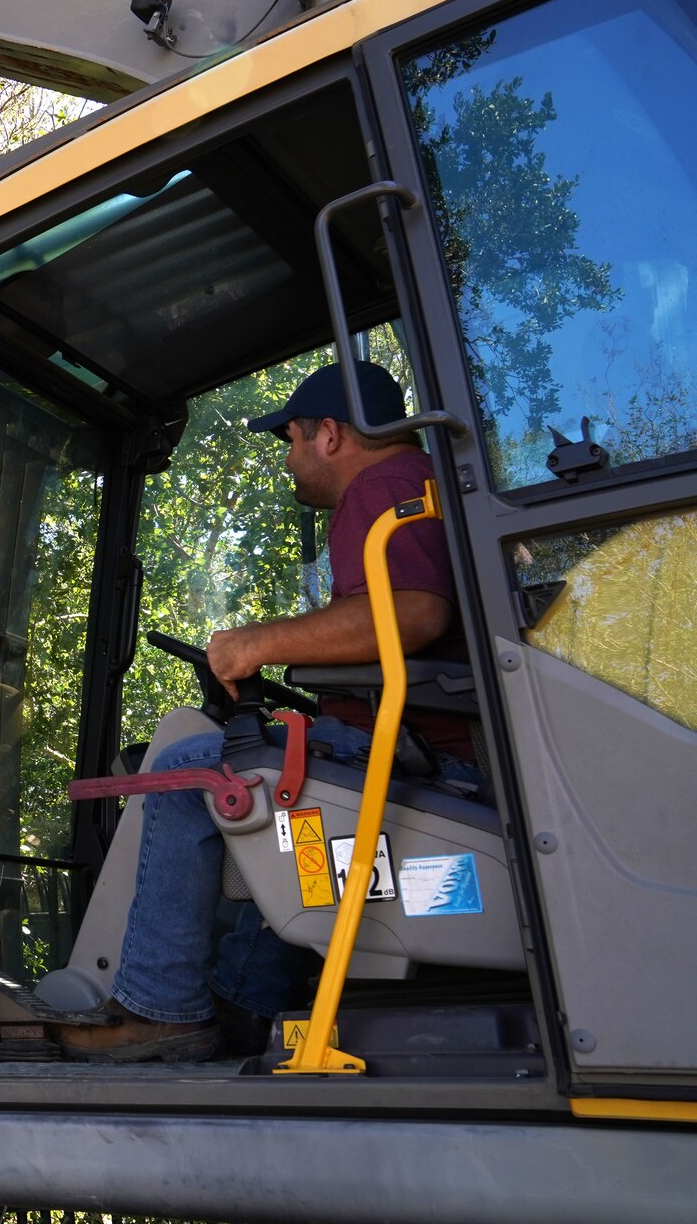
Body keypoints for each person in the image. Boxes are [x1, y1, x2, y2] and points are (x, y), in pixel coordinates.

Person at [51, 361, 485, 1062]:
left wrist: (259, 642)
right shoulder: (424, 482)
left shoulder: (385, 485)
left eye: (290, 440)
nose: (288, 459)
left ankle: (162, 1007)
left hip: (421, 753)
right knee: (268, 786)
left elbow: (414, 612)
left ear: (332, 434)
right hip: (423, 740)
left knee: (189, 777)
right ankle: (247, 1004)